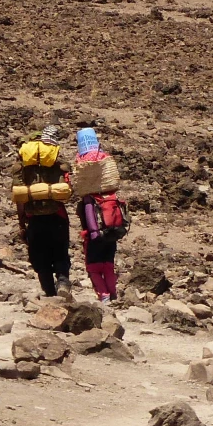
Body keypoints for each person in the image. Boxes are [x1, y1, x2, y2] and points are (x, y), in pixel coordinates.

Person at [12, 127, 74, 298]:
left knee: (39, 256)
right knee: (60, 252)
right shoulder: (58, 164)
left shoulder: (23, 168)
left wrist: (22, 223)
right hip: (57, 216)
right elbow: (67, 193)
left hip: (34, 219)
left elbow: (20, 198)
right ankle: (62, 281)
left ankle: (49, 292)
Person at [74, 128, 124, 300]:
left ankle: (103, 295)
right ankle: (113, 293)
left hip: (95, 235)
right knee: (108, 265)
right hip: (112, 232)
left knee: (94, 267)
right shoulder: (104, 160)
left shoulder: (89, 196)